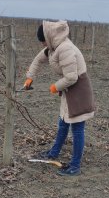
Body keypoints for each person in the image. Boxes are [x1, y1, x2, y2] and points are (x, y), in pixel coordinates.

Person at [23, 20, 95, 176]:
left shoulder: (65, 49)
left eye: (42, 41)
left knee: (77, 129)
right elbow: (38, 60)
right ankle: (53, 153)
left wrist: (56, 86)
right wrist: (30, 77)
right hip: (69, 91)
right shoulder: (52, 47)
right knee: (62, 123)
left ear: (48, 38)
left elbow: (71, 77)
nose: (42, 44)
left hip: (78, 92)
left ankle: (75, 166)